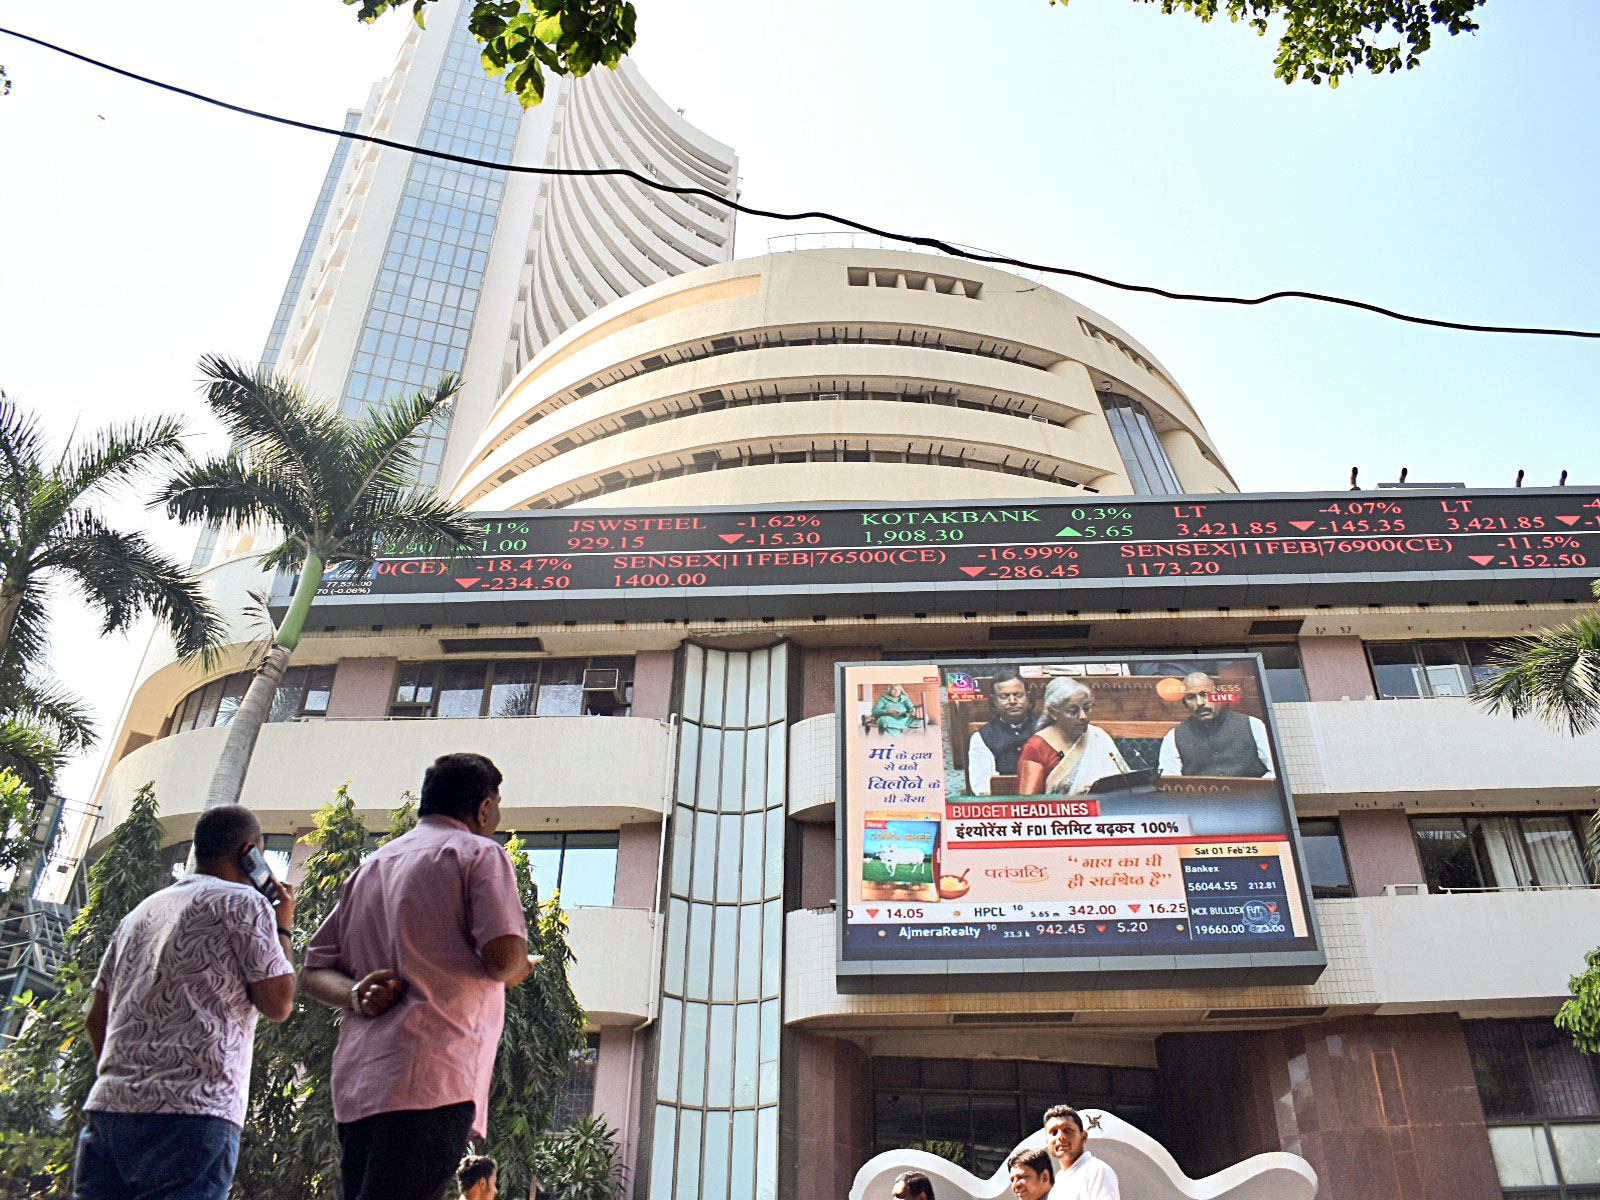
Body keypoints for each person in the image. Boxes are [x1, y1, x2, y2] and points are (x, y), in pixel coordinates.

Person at [304, 752, 536, 1200]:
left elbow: (314, 970)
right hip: (433, 1075)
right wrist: (522, 965)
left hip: (360, 1084)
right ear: (485, 808)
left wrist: (355, 994)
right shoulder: (478, 854)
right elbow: (504, 959)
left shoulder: (370, 868)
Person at [73, 804, 296, 1200]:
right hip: (193, 1114)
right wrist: (283, 926)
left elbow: (96, 1017)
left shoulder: (141, 913)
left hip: (111, 1108)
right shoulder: (244, 903)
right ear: (251, 853)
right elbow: (278, 1003)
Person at [1016, 679, 1130, 795]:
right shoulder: (1036, 747)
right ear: (1053, 713)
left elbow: (1124, 783)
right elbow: (1028, 804)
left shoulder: (1097, 735)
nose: (1083, 716)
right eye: (1072, 711)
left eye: (1086, 708)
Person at [1156, 672, 1276, 778]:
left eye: (1205, 694)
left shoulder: (1253, 726)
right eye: (1191, 697)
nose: (1200, 703)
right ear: (1185, 704)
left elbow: (1276, 770)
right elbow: (1170, 781)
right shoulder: (1174, 737)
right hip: (1199, 802)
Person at [966, 669, 1044, 795]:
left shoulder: (1048, 728)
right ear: (994, 702)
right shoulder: (982, 737)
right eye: (1004, 696)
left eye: (1018, 695)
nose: (1012, 701)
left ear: (1029, 698)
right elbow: (982, 789)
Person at [1043, 1105, 1119, 1200]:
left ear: (1083, 1136)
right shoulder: (1058, 1183)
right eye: (1054, 1132)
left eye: (1067, 1130)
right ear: (1047, 1141)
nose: (1060, 1136)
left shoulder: (1097, 1171)